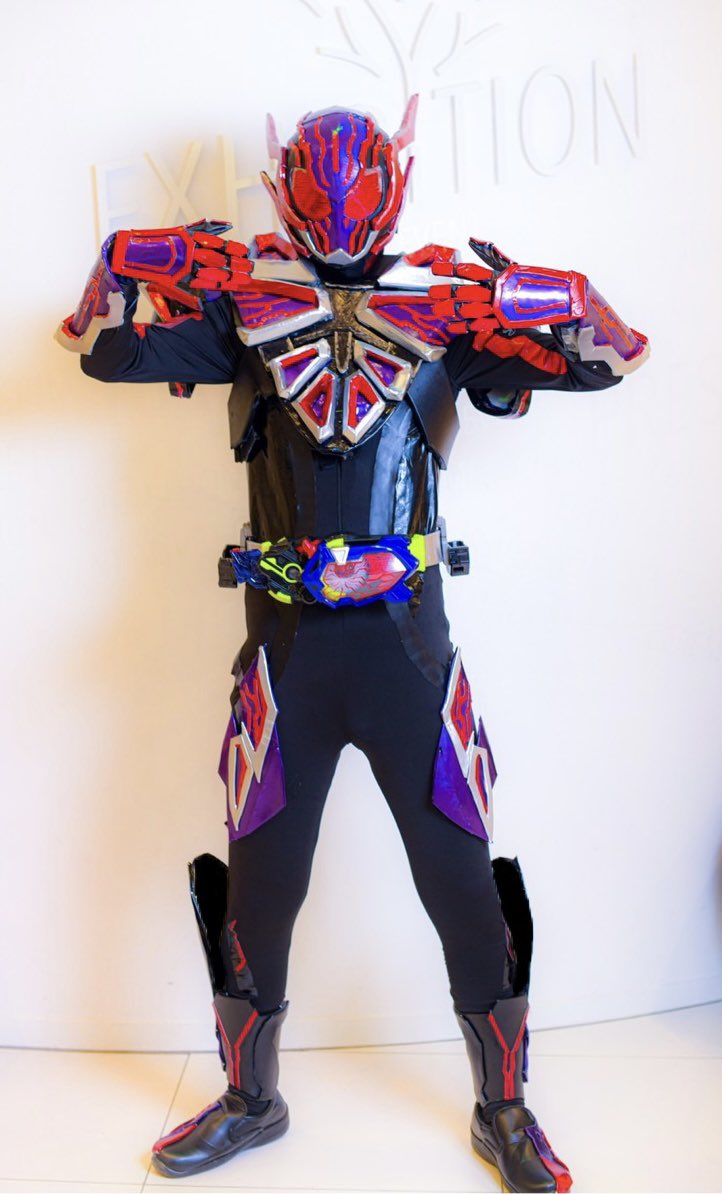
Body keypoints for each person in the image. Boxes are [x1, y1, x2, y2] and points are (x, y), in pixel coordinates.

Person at [56, 99, 648, 1193]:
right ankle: (251, 1101)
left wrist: (555, 295)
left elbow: (611, 358)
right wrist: (126, 264)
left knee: (458, 880)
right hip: (285, 657)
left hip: (406, 654)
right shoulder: (243, 309)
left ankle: (504, 1109)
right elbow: (100, 353)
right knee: (262, 888)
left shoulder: (448, 311)